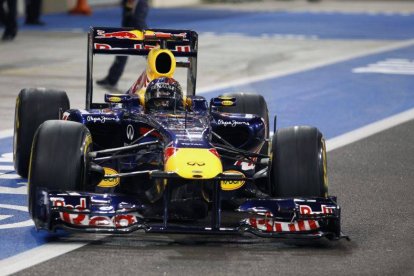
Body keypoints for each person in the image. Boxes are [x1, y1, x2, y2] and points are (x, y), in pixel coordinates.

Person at [97, 0, 149, 88]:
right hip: (128, 33)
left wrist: (146, 35)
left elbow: (139, 21)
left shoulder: (141, 3)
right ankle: (111, 79)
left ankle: (158, 77)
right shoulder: (127, 3)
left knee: (151, 56)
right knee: (121, 55)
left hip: (139, 34)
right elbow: (126, 19)